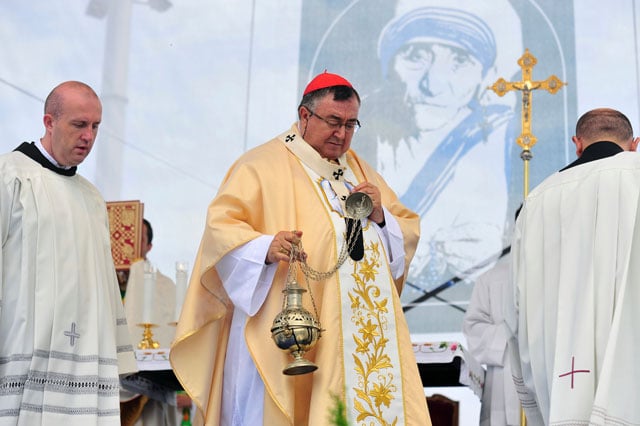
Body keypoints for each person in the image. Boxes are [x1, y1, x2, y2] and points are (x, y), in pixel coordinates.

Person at [170, 72, 431, 425]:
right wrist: (264, 247)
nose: (342, 134)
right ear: (305, 116)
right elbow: (221, 228)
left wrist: (382, 216)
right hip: (283, 330)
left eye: (352, 124)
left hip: (353, 337)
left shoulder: (357, 168)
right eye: (334, 122)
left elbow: (406, 230)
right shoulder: (261, 164)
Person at [358, 0, 524, 296]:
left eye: (460, 60)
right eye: (416, 56)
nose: (433, 84)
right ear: (390, 65)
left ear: (482, 77)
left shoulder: (501, 141)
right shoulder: (358, 137)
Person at [0, 81, 137, 424]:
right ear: (49, 122)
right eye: (79, 124)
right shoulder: (11, 177)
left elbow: (104, 285)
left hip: (85, 360)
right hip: (23, 356)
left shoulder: (91, 197)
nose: (88, 136)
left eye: (95, 126)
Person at [505, 108, 640, 424]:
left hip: (562, 385)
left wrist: (537, 404)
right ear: (635, 144)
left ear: (577, 144)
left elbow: (517, 310)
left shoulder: (536, 201)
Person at [121, 218, 192, 426]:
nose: (130, 243)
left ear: (149, 246)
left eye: (137, 238)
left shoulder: (164, 288)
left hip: (146, 399)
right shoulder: (97, 282)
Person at [462, 209, 522, 426]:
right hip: (502, 382)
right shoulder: (491, 279)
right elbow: (473, 328)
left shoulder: (560, 277)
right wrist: (510, 335)